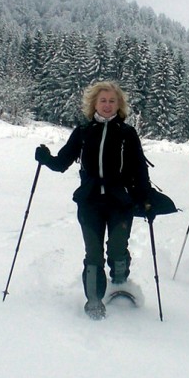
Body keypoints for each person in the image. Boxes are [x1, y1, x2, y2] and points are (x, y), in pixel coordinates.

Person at [34, 81, 150, 320]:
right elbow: (61, 163)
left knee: (118, 248)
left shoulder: (127, 134)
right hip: (89, 202)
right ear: (94, 103)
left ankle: (119, 281)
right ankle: (94, 300)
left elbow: (140, 170)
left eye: (112, 101)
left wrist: (145, 197)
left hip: (120, 202)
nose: (107, 105)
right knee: (93, 253)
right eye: (103, 101)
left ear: (119, 105)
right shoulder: (83, 132)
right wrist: (45, 158)